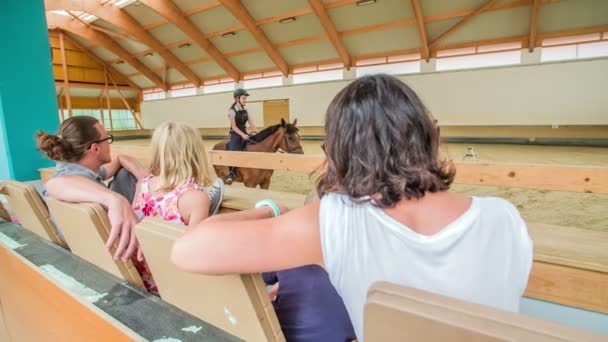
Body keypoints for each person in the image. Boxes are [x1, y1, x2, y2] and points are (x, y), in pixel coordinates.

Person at [170, 74, 533, 340]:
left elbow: (187, 249)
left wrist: (270, 209)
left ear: (339, 155)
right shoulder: (505, 218)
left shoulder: (336, 222)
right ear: (429, 136)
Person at [37, 116, 224, 262]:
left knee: (125, 175)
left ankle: (176, 197)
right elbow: (56, 184)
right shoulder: (68, 182)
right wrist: (115, 199)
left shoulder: (80, 174)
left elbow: (119, 161)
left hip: (112, 252)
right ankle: (192, 205)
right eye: (107, 139)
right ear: (94, 149)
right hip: (138, 256)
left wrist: (148, 182)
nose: (109, 143)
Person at [132, 121, 213, 227]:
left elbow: (133, 222)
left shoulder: (142, 185)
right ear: (197, 155)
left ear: (158, 154)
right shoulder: (197, 199)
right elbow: (195, 241)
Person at [225, 88, 258, 185]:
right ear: (237, 98)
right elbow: (234, 127)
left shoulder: (245, 110)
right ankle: (231, 173)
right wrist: (243, 135)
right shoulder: (232, 111)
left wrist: (256, 131)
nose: (245, 100)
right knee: (234, 151)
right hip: (235, 134)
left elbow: (251, 124)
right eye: (243, 98)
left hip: (245, 133)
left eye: (245, 98)